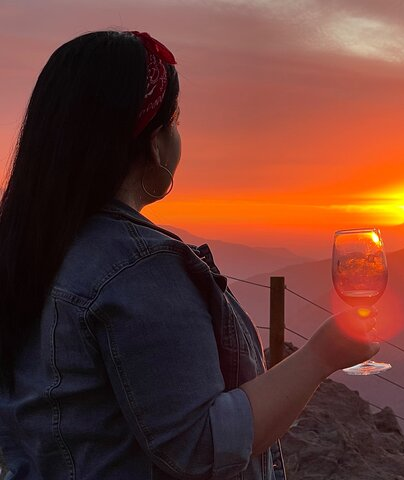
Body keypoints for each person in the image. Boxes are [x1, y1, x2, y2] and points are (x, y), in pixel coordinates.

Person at [0, 30, 380, 480]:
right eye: (175, 120)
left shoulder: (26, 245)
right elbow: (202, 445)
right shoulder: (137, 269)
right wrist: (322, 355)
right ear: (153, 140)